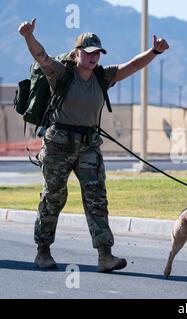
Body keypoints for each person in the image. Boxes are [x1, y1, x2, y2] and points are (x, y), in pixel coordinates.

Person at [18, 18, 169, 272]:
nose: (94, 57)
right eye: (88, 52)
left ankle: (105, 256)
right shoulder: (61, 73)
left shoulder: (103, 76)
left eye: (97, 52)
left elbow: (132, 65)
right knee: (54, 196)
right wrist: (28, 36)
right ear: (77, 53)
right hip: (59, 145)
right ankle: (43, 251)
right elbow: (41, 56)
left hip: (88, 145)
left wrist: (154, 51)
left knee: (97, 198)